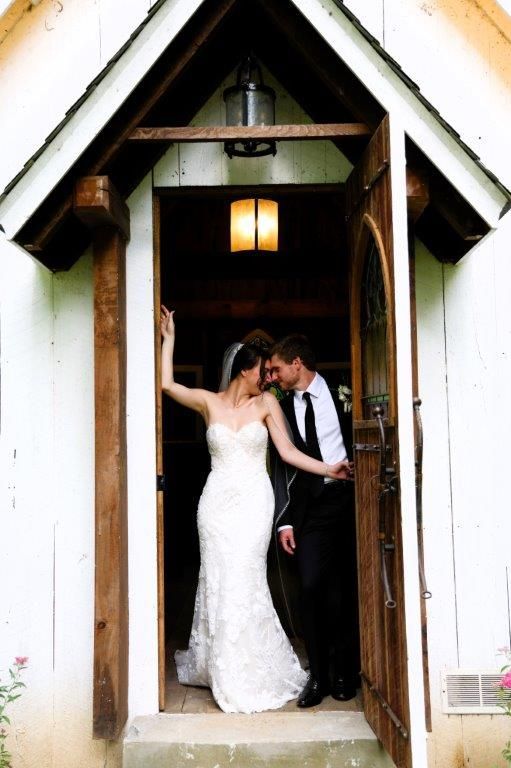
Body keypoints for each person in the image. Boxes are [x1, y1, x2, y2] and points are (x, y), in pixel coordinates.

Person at [160, 307, 352, 714]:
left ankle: (248, 667)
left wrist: (329, 470)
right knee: (217, 578)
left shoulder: (266, 404)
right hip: (215, 505)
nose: (268, 376)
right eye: (263, 370)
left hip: (253, 504)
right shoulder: (208, 403)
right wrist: (169, 337)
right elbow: (166, 384)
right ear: (243, 370)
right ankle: (220, 665)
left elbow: (288, 452)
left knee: (245, 576)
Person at [270, 334, 359, 708]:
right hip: (308, 510)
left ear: (296, 364)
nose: (272, 376)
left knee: (343, 591)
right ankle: (317, 677)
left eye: (276, 368)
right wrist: (284, 521)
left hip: (348, 501)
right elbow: (280, 463)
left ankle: (344, 674)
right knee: (309, 587)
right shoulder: (279, 408)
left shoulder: (345, 390)